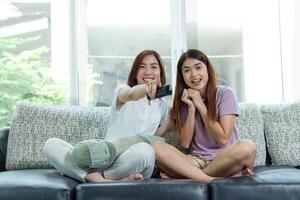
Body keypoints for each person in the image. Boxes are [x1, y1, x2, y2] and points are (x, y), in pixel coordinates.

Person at [44, 50, 169, 182]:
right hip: (107, 157)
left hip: (131, 161)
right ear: (135, 73)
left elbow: (152, 138)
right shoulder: (122, 91)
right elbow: (131, 94)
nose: (148, 71)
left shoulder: (162, 104)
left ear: (160, 73)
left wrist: (167, 125)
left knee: (147, 151)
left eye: (154, 67)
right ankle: (106, 180)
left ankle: (89, 175)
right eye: (142, 67)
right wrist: (146, 89)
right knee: (51, 144)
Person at [152, 49, 256, 183]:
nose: (193, 74)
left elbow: (223, 138)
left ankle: (191, 176)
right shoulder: (183, 102)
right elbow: (184, 143)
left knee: (247, 147)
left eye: (198, 67)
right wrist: (191, 108)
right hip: (197, 160)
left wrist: (201, 105)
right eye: (187, 70)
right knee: (156, 147)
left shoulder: (225, 94)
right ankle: (213, 179)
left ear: (207, 69)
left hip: (225, 158)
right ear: (182, 76)